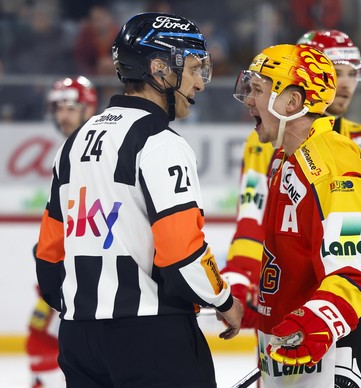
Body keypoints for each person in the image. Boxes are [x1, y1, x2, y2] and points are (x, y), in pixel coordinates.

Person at [35, 12, 244, 387]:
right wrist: (225, 301)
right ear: (160, 70)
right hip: (151, 338)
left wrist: (82, 314)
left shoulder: (74, 143)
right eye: (194, 68)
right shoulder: (162, 143)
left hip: (79, 340)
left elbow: (50, 255)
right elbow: (182, 251)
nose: (200, 82)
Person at [222, 30, 361, 386]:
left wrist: (316, 321)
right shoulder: (289, 159)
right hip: (296, 346)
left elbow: (355, 266)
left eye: (258, 90)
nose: (248, 100)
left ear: (291, 103)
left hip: (335, 355)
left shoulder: (331, 161)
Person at [26, 76, 97, 388]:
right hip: (69, 265)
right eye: (58, 108)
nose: (62, 115)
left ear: (89, 107)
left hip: (85, 268)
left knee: (45, 338)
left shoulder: (91, 146)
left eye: (70, 107)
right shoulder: (73, 146)